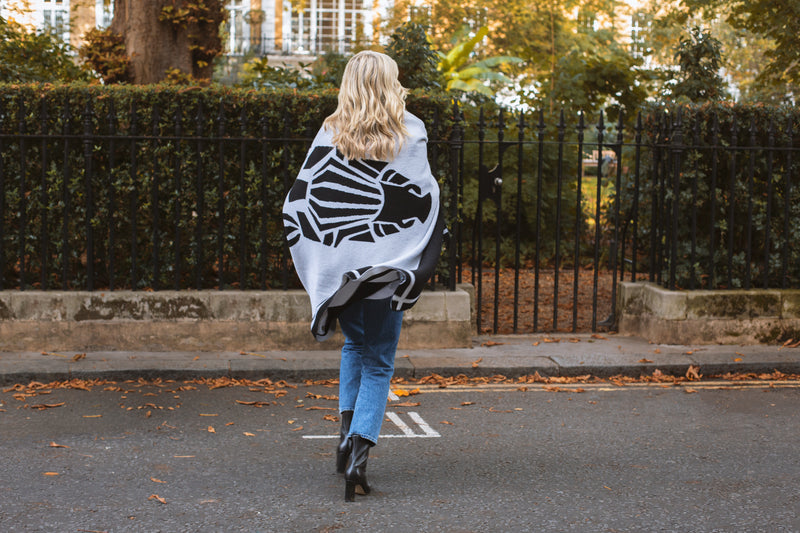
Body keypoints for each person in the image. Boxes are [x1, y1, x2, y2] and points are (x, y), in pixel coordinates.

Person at [282, 50, 443, 502]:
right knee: (379, 361)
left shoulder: (331, 130)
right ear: (390, 83)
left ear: (349, 84)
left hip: (343, 275)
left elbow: (301, 200)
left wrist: (324, 264)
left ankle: (343, 439)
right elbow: (426, 202)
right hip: (389, 273)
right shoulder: (412, 131)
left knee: (356, 345)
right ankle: (358, 456)